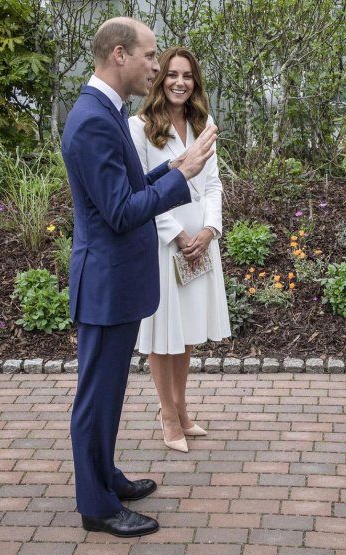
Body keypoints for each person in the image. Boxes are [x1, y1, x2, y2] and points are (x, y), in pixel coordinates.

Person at [61, 17, 217, 538]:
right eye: (151, 57)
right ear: (120, 55)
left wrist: (178, 168)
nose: (156, 67)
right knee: (96, 398)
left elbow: (130, 187)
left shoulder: (108, 112)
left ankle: (106, 478)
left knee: (107, 395)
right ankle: (98, 507)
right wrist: (182, 175)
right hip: (105, 284)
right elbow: (122, 212)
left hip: (118, 281)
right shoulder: (92, 121)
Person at [129, 46, 231, 453]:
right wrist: (177, 234)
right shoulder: (140, 128)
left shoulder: (203, 123)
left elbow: (212, 185)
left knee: (186, 331)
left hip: (200, 245)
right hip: (162, 244)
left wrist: (209, 230)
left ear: (195, 82)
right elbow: (140, 188)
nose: (179, 82)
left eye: (187, 76)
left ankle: (183, 409)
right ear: (159, 79)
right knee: (162, 334)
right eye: (171, 74)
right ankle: (166, 414)